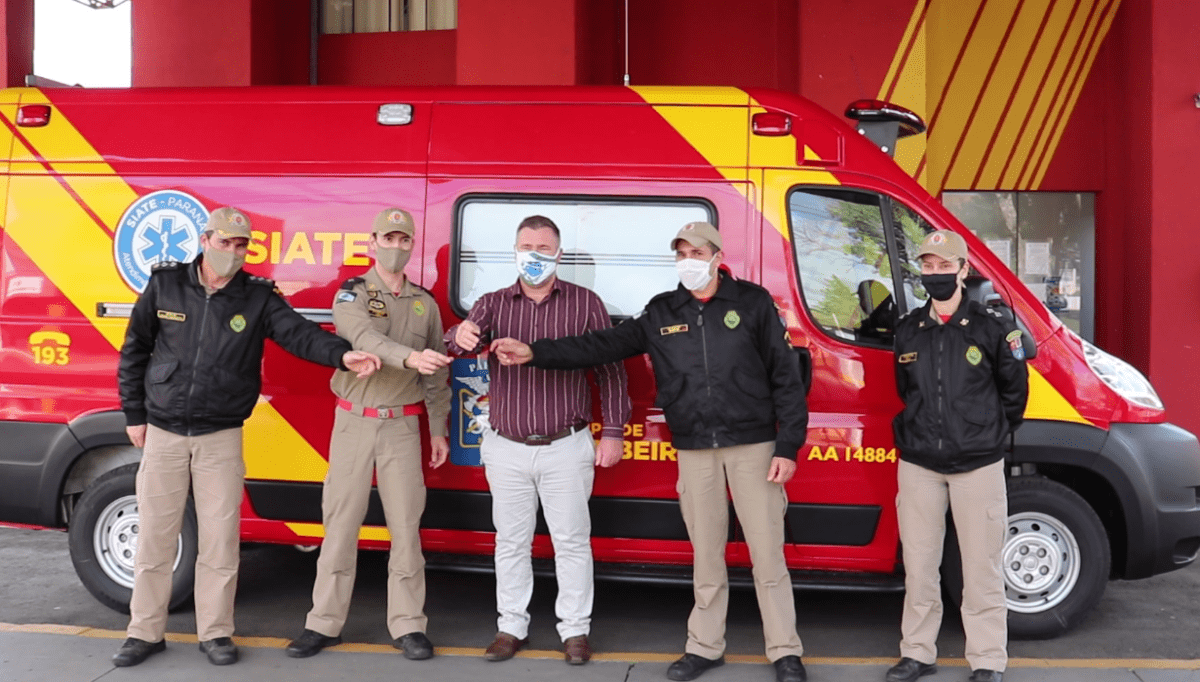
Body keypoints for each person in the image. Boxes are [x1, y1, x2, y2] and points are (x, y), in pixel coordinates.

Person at [490, 221, 809, 682]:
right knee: (706, 554)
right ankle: (704, 645)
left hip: (754, 446)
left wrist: (788, 446)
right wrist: (533, 352)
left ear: (718, 257)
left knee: (767, 555)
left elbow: (787, 379)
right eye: (682, 253)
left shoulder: (753, 303)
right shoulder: (663, 310)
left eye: (698, 253)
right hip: (695, 449)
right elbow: (600, 345)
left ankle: (784, 650)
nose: (690, 262)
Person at [114, 207, 381, 667]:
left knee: (220, 540)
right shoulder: (166, 284)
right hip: (164, 430)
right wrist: (134, 414)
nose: (232, 253)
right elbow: (135, 349)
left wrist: (343, 356)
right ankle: (144, 632)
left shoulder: (256, 296)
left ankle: (215, 634)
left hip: (220, 433)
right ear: (205, 239)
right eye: (224, 243)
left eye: (241, 246)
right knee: (157, 536)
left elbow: (299, 335)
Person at [443, 215, 630, 666]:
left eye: (543, 248)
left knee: (571, 541)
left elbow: (611, 371)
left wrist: (616, 431)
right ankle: (511, 625)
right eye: (526, 246)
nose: (534, 255)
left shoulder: (585, 304)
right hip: (506, 446)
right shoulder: (492, 303)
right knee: (510, 541)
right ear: (514, 250)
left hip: (566, 443)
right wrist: (458, 334)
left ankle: (575, 630)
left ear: (558, 254)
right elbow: (456, 344)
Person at [285, 208, 453, 661]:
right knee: (340, 524)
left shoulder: (425, 303)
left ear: (412, 245)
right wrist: (410, 358)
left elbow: (436, 372)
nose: (396, 246)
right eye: (389, 238)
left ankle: (408, 625)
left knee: (406, 527)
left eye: (404, 240)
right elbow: (361, 339)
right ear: (373, 241)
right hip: (355, 420)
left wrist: (438, 428)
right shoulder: (352, 294)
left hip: (403, 422)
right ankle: (323, 621)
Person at [884, 231, 1028, 682]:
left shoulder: (992, 326)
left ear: (964, 270)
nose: (936, 274)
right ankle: (918, 653)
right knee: (920, 566)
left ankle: (987, 660)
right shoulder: (909, 328)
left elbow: (1014, 393)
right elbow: (905, 390)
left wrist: (984, 431)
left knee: (981, 568)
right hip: (920, 463)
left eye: (945, 266)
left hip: (977, 464)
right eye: (928, 267)